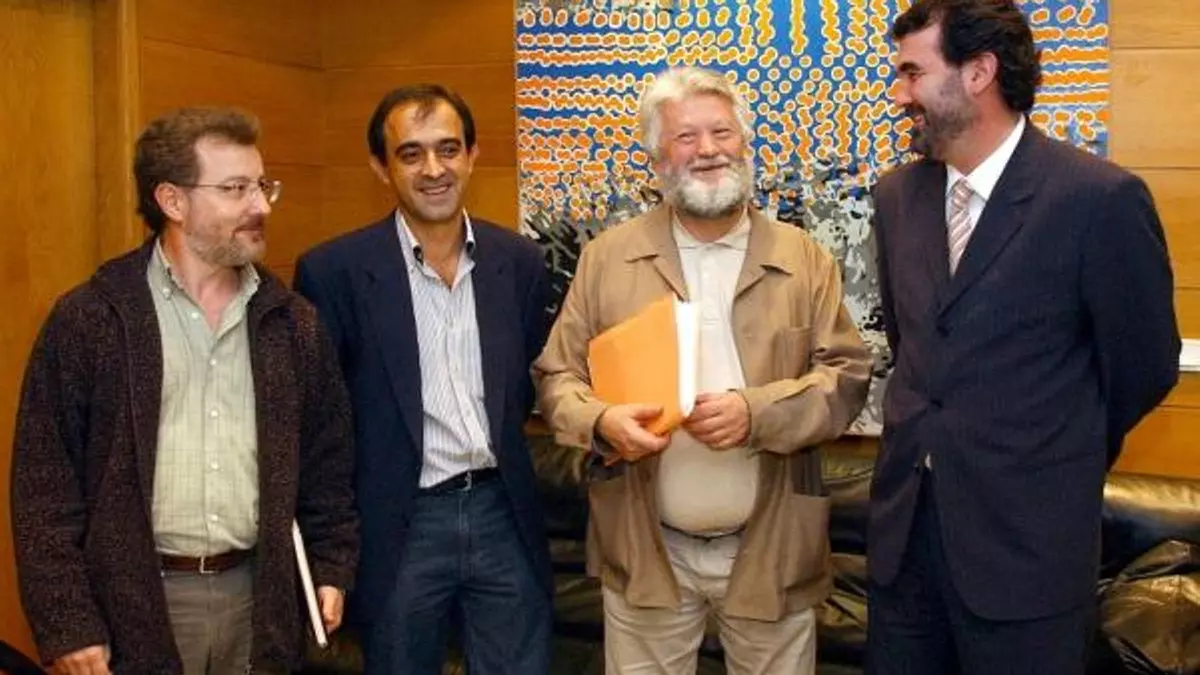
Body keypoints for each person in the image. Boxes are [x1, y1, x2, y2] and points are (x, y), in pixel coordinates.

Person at [867, 1, 1181, 673]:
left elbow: (1144, 366)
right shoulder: (896, 198)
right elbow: (913, 342)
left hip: (1028, 555)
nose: (899, 94)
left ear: (978, 72)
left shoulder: (1096, 200)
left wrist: (1048, 450)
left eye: (913, 73)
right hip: (906, 549)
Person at [533, 66, 871, 675]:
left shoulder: (803, 258)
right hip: (647, 550)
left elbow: (846, 377)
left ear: (745, 143)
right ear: (657, 158)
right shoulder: (607, 259)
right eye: (685, 137)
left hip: (771, 549)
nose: (708, 149)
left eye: (721, 132)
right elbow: (558, 378)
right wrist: (602, 421)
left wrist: (756, 413)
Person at [11, 107, 359, 675]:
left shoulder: (292, 323)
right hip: (135, 603)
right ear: (172, 201)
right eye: (235, 189)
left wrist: (330, 568)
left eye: (263, 186)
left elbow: (328, 466)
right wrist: (67, 621)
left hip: (259, 599)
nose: (261, 206)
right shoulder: (93, 319)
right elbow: (44, 488)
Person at [293, 84, 554, 675]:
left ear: (472, 155)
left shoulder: (519, 262)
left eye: (448, 149)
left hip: (502, 512)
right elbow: (323, 424)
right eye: (411, 154)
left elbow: (524, 388)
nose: (434, 169)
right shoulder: (333, 272)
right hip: (400, 521)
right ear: (380, 167)